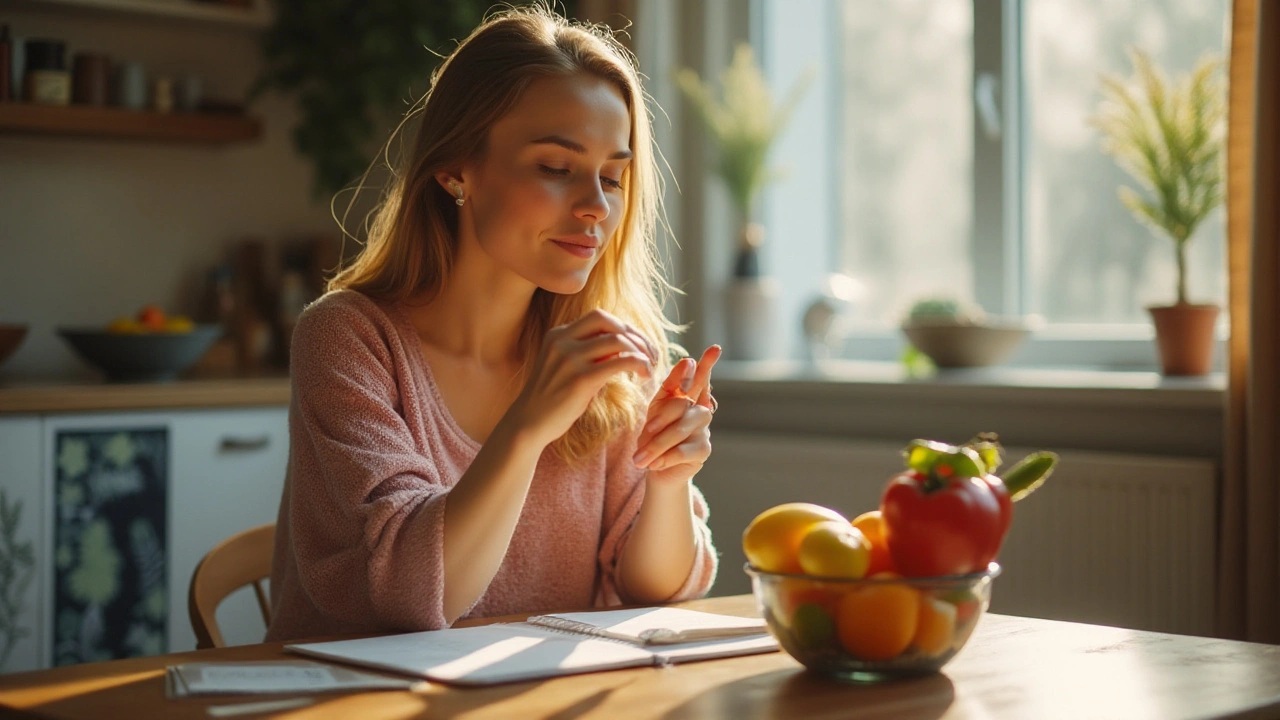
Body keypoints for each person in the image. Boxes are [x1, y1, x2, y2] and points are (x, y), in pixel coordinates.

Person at [264, 4, 722, 642]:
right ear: (455, 170)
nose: (595, 206)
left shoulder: (602, 359)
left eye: (613, 177)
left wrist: (668, 484)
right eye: (556, 169)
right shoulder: (347, 339)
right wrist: (527, 427)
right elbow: (410, 598)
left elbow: (656, 589)